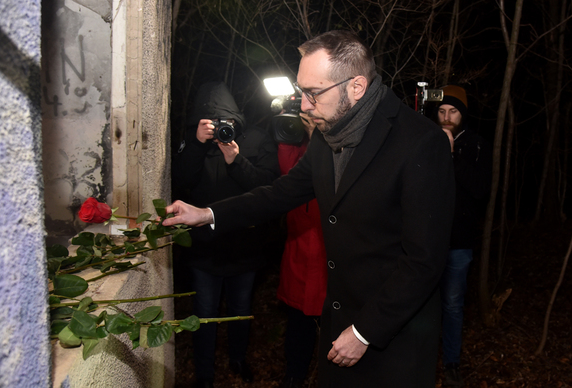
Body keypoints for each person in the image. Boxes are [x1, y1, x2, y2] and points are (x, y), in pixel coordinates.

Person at [164, 31, 455, 387]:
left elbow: (424, 261)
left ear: (357, 87)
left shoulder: (421, 143)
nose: (303, 105)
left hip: (391, 333)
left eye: (313, 93)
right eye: (301, 91)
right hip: (336, 322)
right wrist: (208, 214)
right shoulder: (327, 133)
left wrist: (365, 332)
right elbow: (280, 193)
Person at [172, 81, 280, 388]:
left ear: (237, 120)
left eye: (228, 123)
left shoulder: (256, 140)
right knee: (204, 313)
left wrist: (236, 160)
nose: (222, 129)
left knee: (240, 310)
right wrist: (194, 142)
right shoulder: (194, 143)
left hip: (245, 248)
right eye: (216, 123)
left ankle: (238, 360)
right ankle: (204, 374)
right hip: (205, 250)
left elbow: (269, 188)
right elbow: (180, 181)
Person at [436, 85, 492, 387]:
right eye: (442, 111)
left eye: (453, 111)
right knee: (423, 303)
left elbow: (479, 189)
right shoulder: (426, 143)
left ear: (463, 114)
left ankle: (452, 362)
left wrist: (453, 153)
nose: (446, 117)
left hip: (459, 244)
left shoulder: (476, 145)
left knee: (453, 305)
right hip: (428, 243)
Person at [275, 113, 327, 388]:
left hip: (328, 253)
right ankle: (294, 376)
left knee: (331, 324)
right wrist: (295, 133)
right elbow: (288, 173)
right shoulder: (300, 147)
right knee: (298, 326)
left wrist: (318, 135)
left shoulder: (336, 140)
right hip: (300, 250)